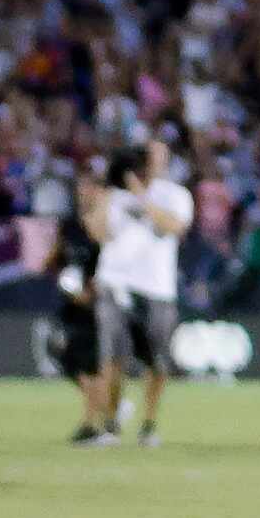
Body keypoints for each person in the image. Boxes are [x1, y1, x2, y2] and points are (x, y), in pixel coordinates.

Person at [90, 142, 194, 448]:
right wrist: (101, 200)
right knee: (112, 356)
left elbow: (173, 226)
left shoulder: (176, 195)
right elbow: (100, 234)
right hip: (116, 283)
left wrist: (141, 195)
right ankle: (110, 424)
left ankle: (148, 424)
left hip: (157, 287)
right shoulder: (114, 196)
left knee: (157, 361)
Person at [50, 169, 110, 444]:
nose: (84, 193)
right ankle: (107, 410)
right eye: (81, 188)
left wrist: (93, 291)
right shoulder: (70, 224)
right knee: (63, 355)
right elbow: (59, 257)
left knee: (92, 365)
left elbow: (113, 261)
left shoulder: (107, 226)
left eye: (90, 188)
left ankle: (92, 424)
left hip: (98, 304)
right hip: (72, 303)